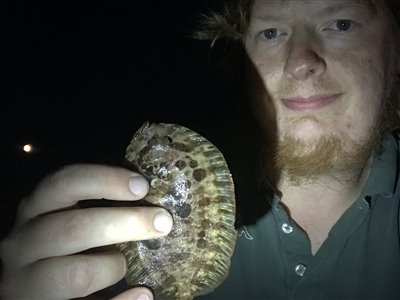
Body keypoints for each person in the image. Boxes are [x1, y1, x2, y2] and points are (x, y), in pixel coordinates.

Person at [1, 0, 400, 299]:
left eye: (341, 23)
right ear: (241, 59)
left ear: (395, 49)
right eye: (271, 32)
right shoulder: (118, 222)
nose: (301, 61)